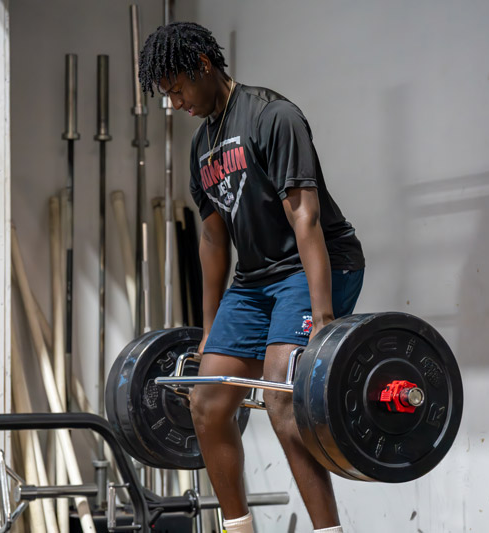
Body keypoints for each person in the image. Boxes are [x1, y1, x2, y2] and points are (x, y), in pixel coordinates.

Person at [139, 22, 365, 533]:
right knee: (208, 399)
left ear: (202, 65)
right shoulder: (202, 148)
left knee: (282, 398)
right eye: (167, 95)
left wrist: (323, 318)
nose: (174, 103)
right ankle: (238, 528)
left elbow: (304, 216)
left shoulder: (273, 116)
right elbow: (215, 241)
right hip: (257, 279)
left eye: (177, 89)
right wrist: (209, 331)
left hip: (315, 264)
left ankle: (328, 531)